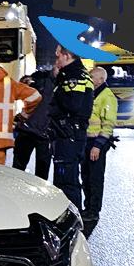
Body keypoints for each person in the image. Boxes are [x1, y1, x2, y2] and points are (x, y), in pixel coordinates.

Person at [48, 44, 94, 208]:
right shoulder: (75, 74)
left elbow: (72, 104)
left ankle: (72, 221)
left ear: (67, 55)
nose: (56, 59)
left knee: (66, 181)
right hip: (69, 134)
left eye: (58, 56)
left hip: (69, 135)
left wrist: (58, 83)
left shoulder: (73, 75)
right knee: (65, 179)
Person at [80, 66, 117, 226]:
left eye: (92, 77)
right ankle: (88, 207)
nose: (89, 79)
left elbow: (108, 125)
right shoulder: (92, 93)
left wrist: (98, 146)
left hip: (97, 143)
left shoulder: (107, 96)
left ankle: (93, 211)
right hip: (87, 142)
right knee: (86, 176)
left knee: (95, 178)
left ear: (101, 79)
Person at [12, 68, 57, 179]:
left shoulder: (63, 84)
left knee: (42, 173)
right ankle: (13, 192)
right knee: (17, 169)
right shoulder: (40, 77)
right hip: (27, 130)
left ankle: (38, 195)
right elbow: (23, 85)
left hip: (45, 134)